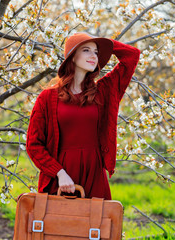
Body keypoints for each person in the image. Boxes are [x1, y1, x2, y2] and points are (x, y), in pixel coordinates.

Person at [26, 32, 140, 200]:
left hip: (94, 172)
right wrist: (59, 173)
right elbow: (33, 144)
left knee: (96, 224)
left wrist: (107, 45)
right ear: (72, 57)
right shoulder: (47, 98)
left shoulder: (104, 91)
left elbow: (132, 55)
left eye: (96, 52)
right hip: (61, 175)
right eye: (86, 50)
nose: (93, 56)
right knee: (60, 223)